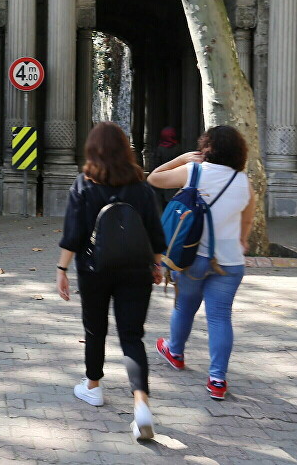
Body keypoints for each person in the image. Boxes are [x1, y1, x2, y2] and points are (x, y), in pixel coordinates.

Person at [56, 122, 166, 442]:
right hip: (136, 271)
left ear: (92, 149)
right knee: (132, 336)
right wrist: (157, 265)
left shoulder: (84, 185)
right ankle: (141, 403)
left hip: (94, 269)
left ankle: (93, 386)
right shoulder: (141, 187)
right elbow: (156, 234)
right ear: (125, 149)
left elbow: (73, 235)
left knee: (95, 328)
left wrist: (61, 269)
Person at [146, 125, 254, 401]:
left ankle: (175, 351)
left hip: (193, 259)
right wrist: (241, 240)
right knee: (220, 317)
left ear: (207, 147)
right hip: (229, 262)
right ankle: (217, 379)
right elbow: (246, 222)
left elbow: (154, 179)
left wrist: (181, 158)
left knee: (185, 306)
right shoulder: (244, 182)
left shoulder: (195, 171)